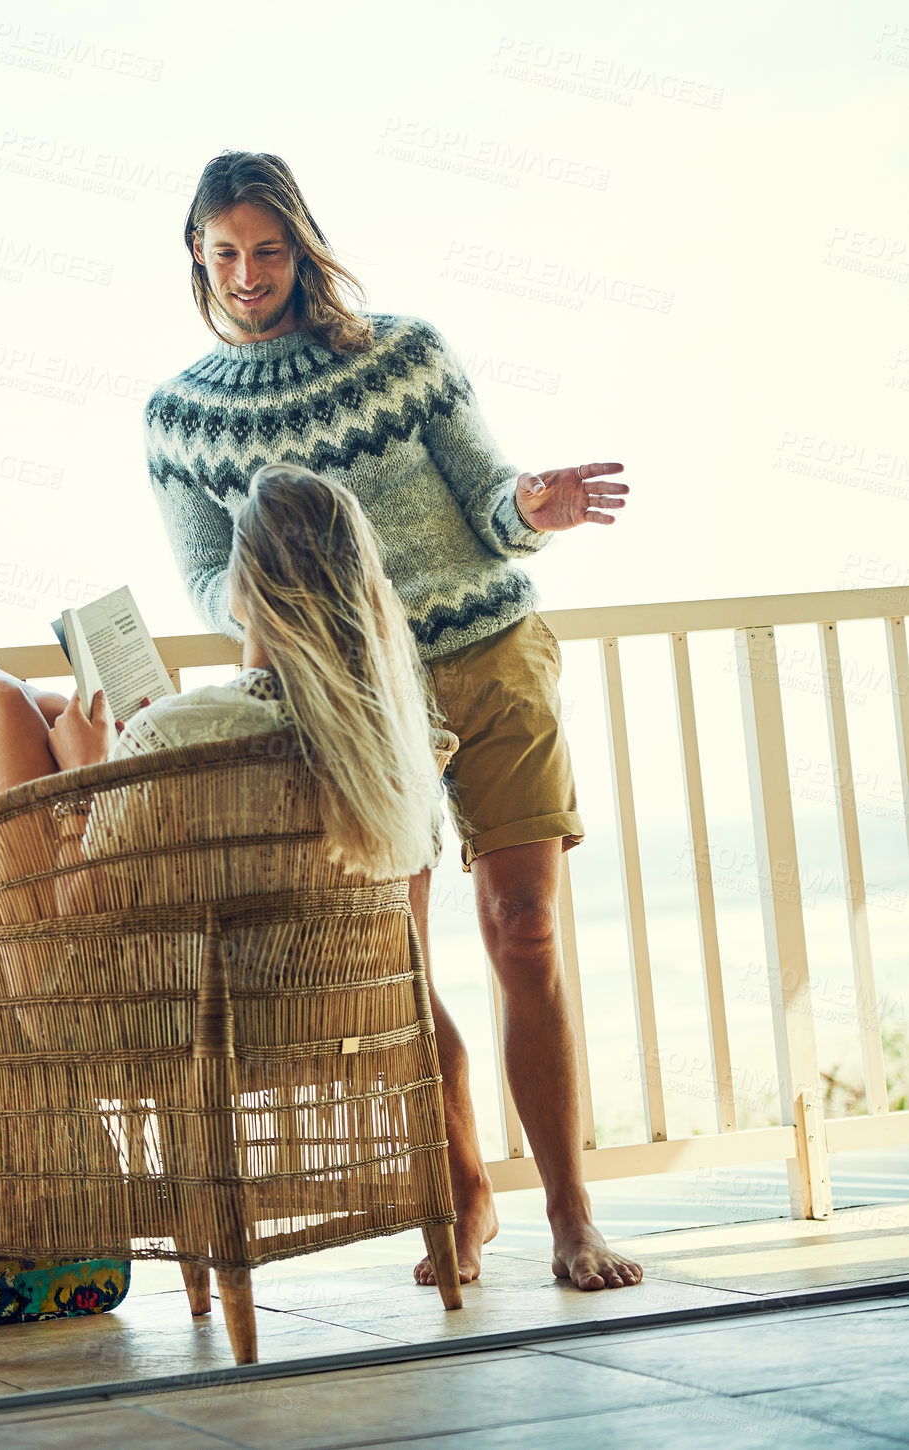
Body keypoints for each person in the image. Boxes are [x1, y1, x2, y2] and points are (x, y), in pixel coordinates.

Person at [143, 149, 642, 1292]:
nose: (247, 273)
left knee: (523, 927)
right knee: (393, 966)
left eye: (267, 249)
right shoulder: (177, 418)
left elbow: (488, 496)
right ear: (197, 258)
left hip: (487, 657)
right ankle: (460, 1200)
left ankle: (570, 1214)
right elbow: (209, 585)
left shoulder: (405, 353)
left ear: (302, 245)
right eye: (225, 253)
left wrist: (531, 504)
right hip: (355, 706)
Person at [0, 460, 448, 885]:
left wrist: (84, 779)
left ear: (241, 595)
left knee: (2, 706)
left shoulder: (182, 734)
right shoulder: (397, 751)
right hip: (317, 1021)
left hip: (99, 1016)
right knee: (40, 709)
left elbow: (79, 905)